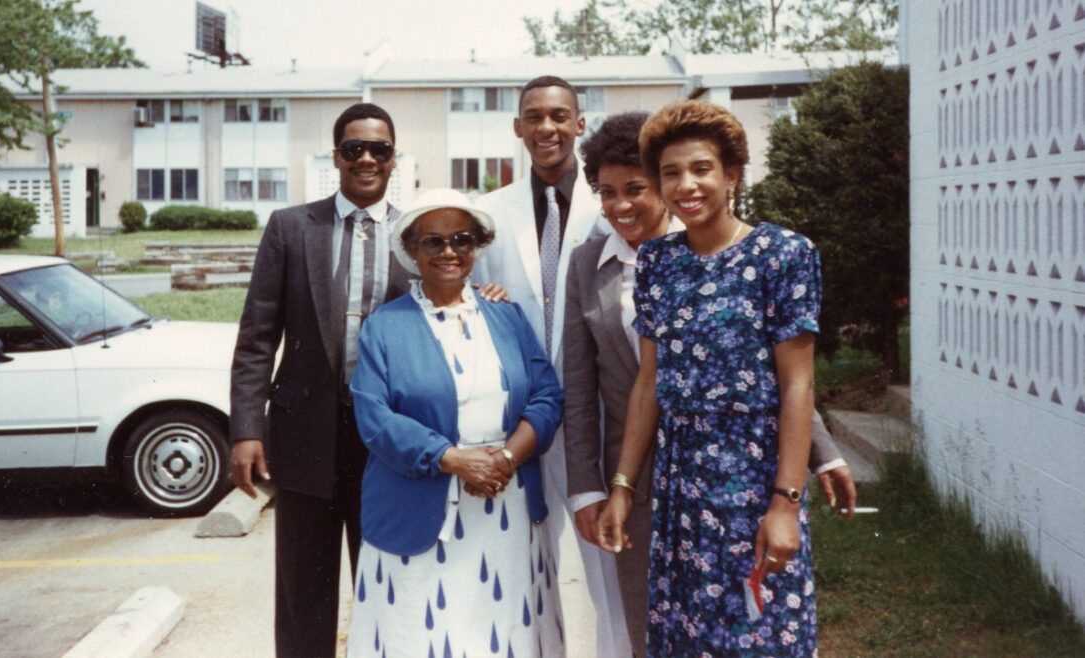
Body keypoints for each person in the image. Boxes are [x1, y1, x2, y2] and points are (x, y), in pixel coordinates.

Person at [565, 112, 856, 657]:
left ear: (732, 174)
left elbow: (797, 387)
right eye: (671, 173)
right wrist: (623, 487)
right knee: (687, 638)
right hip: (680, 489)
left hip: (754, 478)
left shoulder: (783, 255)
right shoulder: (658, 262)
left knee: (761, 633)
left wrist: (786, 503)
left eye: (701, 169)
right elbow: (649, 383)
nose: (686, 185)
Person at [345, 188, 565, 657]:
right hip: (418, 508)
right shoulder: (385, 326)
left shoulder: (506, 314)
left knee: (502, 634)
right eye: (433, 241)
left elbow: (547, 396)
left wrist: (506, 458)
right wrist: (452, 459)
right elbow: (374, 417)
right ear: (411, 249)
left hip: (505, 509)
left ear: (477, 246)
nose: (449, 251)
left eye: (461, 239)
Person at [229, 103, 411, 657]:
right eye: (354, 148)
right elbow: (257, 337)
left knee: (389, 593)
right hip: (305, 435)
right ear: (336, 157)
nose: (367, 159)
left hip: (385, 442)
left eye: (379, 149)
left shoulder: (414, 234)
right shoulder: (291, 228)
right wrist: (246, 430)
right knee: (303, 597)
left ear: (394, 158)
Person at [473, 74, 631, 656]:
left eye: (560, 116)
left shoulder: (609, 207)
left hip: (594, 421)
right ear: (517, 127)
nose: (548, 127)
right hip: (518, 424)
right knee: (523, 578)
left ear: (580, 124)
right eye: (535, 117)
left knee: (608, 574)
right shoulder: (488, 214)